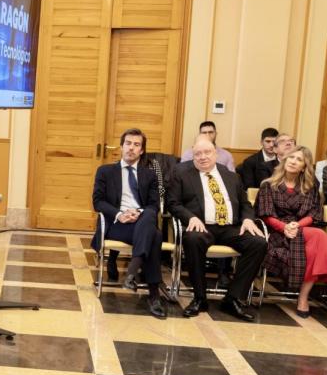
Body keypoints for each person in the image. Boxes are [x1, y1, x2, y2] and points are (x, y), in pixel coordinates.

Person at [256, 147, 327, 317]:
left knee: (312, 250)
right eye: (291, 157)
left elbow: (314, 214)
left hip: (302, 229)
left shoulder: (310, 186)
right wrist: (284, 227)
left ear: (304, 166)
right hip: (278, 234)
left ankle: (303, 298)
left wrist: (297, 226)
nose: (293, 161)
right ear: (284, 161)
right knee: (320, 235)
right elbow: (265, 214)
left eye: (299, 159)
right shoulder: (268, 185)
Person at [168, 136, 267, 321]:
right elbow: (173, 203)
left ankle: (233, 298)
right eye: (198, 153)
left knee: (259, 243)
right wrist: (191, 217)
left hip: (231, 227)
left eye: (207, 152)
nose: (203, 157)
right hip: (202, 226)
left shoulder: (230, 175)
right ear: (193, 155)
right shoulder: (181, 173)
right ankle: (199, 298)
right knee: (192, 238)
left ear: (216, 153)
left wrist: (248, 220)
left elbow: (245, 204)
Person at [92, 129, 167, 318]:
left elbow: (154, 204)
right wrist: (120, 214)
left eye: (136, 145)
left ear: (142, 150)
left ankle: (133, 274)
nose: (131, 148)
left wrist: (137, 212)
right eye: (128, 143)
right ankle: (152, 293)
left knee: (149, 216)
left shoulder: (149, 175)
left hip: (141, 221)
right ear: (121, 146)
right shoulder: (106, 171)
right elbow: (98, 202)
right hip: (117, 225)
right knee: (155, 235)